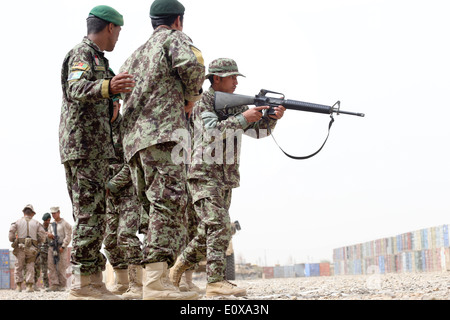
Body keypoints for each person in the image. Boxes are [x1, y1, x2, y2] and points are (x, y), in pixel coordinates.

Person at [169, 58, 285, 297]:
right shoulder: (204, 104)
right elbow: (211, 132)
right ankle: (215, 283)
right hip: (204, 174)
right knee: (220, 226)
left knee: (209, 230)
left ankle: (178, 267)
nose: (235, 82)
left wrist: (271, 119)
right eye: (232, 77)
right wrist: (245, 117)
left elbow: (258, 132)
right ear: (217, 78)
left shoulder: (233, 105)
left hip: (224, 178)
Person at [119, 0, 205, 300]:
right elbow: (193, 66)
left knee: (153, 207)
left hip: (135, 142)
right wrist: (192, 97)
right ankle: (156, 284)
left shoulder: (134, 55)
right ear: (178, 20)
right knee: (169, 204)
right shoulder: (175, 39)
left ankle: (147, 282)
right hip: (164, 135)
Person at [59, 5, 135, 300]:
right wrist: (108, 86)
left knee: (96, 215)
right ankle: (81, 282)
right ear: (110, 28)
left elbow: (103, 99)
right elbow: (76, 89)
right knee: (90, 215)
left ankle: (92, 279)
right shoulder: (83, 54)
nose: (118, 38)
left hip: (96, 148)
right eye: (118, 32)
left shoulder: (100, 60)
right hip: (83, 146)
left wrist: (113, 103)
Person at [104, 96, 143, 300]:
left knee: (125, 236)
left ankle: (137, 284)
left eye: (114, 106)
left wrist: (112, 184)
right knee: (109, 241)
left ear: (119, 106)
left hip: (128, 193)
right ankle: (122, 282)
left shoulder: (127, 128)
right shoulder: (100, 130)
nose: (110, 109)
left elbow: (132, 164)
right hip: (108, 196)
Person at [9, 205, 47, 292]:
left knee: (19, 266)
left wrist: (14, 240)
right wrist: (38, 241)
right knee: (30, 266)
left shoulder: (17, 222)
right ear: (33, 213)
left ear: (23, 212)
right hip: (32, 249)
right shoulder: (37, 223)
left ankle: (18, 287)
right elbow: (43, 236)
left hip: (20, 247)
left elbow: (11, 236)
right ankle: (29, 286)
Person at [47, 207, 72, 292]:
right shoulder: (51, 224)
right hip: (52, 246)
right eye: (52, 214)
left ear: (59, 212)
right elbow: (48, 234)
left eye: (55, 213)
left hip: (61, 246)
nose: (53, 215)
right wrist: (49, 235)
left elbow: (68, 236)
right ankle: (54, 284)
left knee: (61, 266)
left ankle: (62, 285)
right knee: (51, 265)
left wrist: (64, 246)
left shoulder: (65, 224)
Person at [34, 213, 51, 291]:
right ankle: (34, 284)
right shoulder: (40, 228)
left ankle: (46, 285)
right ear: (44, 220)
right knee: (37, 268)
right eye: (46, 220)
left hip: (48, 251)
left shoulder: (51, 227)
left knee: (46, 269)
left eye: (49, 220)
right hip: (39, 251)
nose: (48, 222)